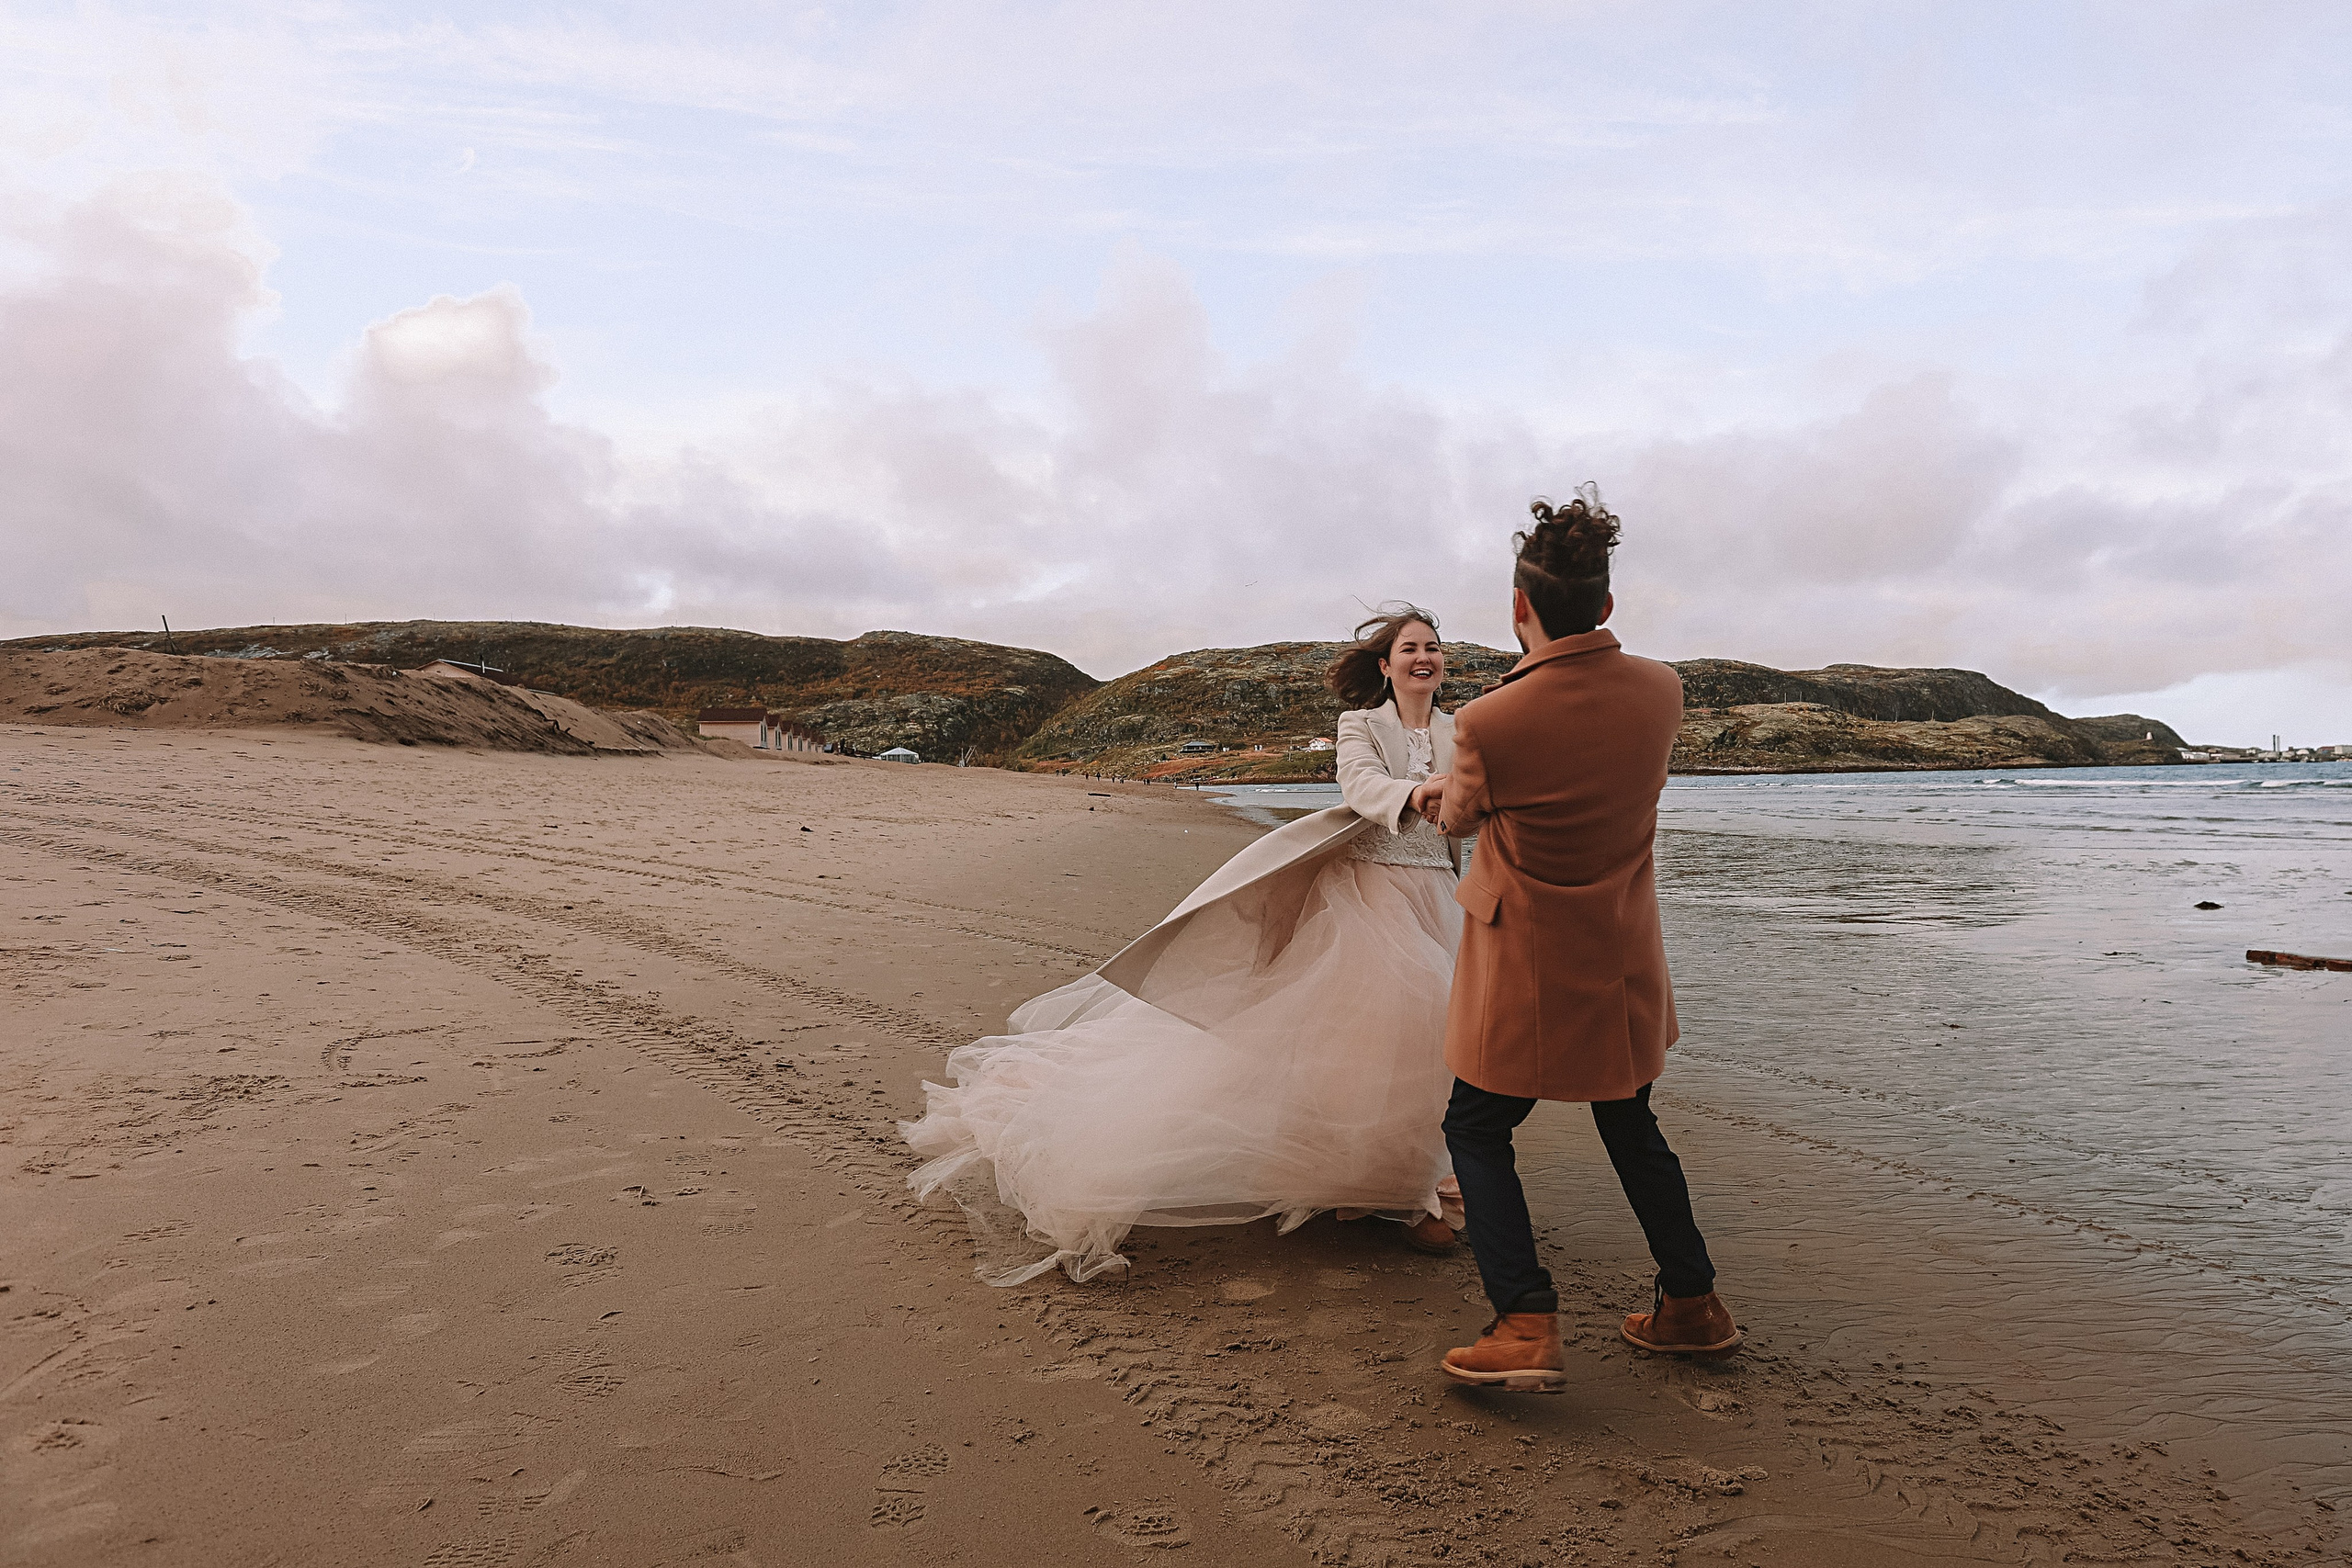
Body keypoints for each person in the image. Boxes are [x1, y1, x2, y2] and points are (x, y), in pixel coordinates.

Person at [902, 605, 1470, 1283]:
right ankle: (1400, 1191)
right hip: (1369, 892)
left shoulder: (1458, 731)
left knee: (1439, 1036)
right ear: (1385, 664)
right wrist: (1420, 791)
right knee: (1384, 1031)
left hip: (1440, 896)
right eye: (1409, 648)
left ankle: (1394, 1175)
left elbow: (1472, 814)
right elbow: (1361, 784)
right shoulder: (1359, 724)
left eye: (1432, 647)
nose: (1423, 658)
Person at [1422, 487, 1742, 1393]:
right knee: (1629, 1119)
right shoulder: (1660, 690)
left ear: (1518, 609)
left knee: (1475, 1126)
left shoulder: (1486, 721)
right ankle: (1690, 1305)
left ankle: (1523, 1322)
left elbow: (1458, 820)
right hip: (1619, 953)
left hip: (1523, 958)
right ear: (1605, 604)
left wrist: (1439, 789)